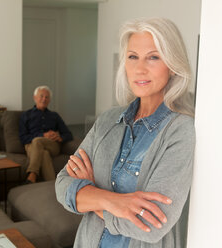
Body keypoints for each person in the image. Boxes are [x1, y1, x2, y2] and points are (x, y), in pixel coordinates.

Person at [55, 18, 195, 248]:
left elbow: (150, 226)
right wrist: (113, 201)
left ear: (172, 64)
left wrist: (90, 193)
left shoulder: (180, 131)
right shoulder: (108, 120)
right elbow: (62, 185)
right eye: (132, 57)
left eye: (153, 57)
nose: (140, 68)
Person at [19, 86, 73, 183]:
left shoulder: (54, 116)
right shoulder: (26, 115)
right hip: (31, 146)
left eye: (47, 97)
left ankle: (32, 174)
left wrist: (60, 137)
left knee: (38, 141)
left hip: (52, 144)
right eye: (41, 96)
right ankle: (53, 184)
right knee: (43, 153)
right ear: (35, 97)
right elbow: (23, 138)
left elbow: (68, 134)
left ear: (49, 100)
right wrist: (43, 135)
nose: (44, 99)